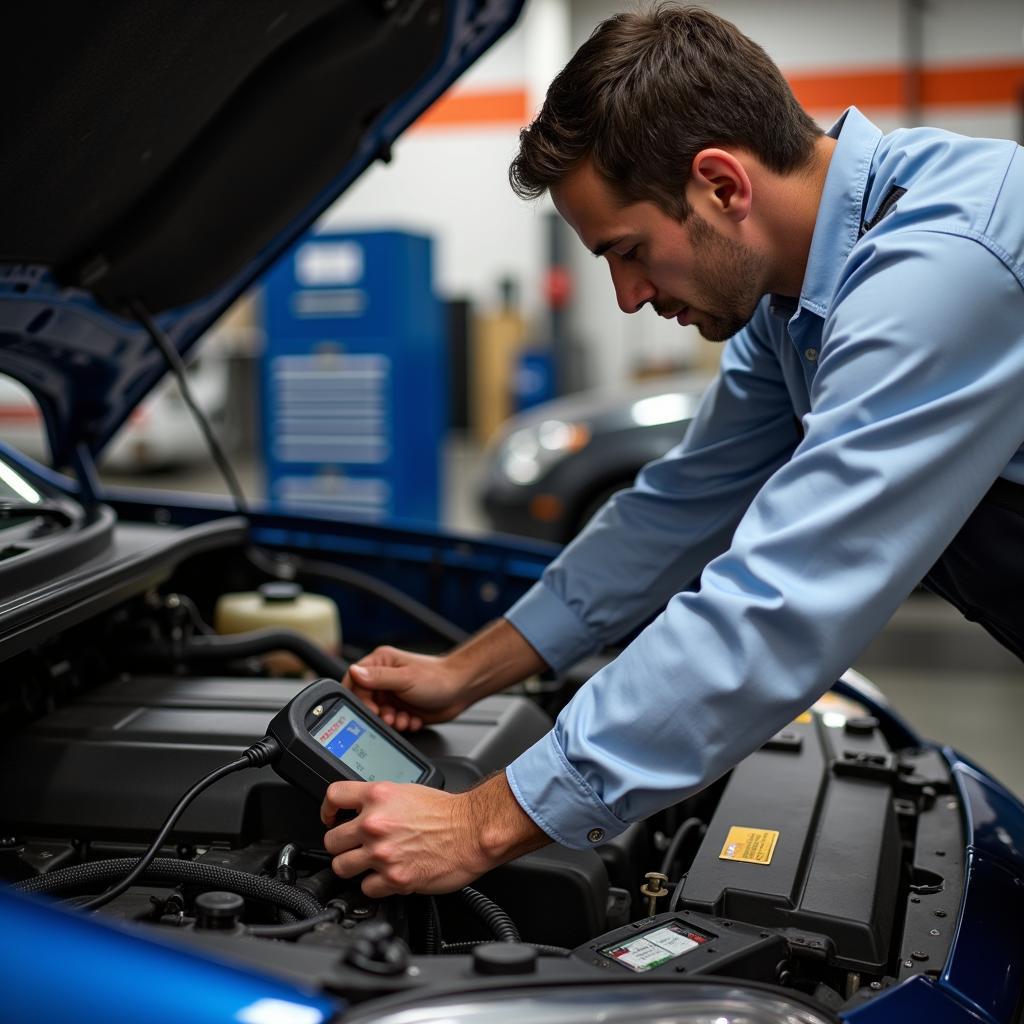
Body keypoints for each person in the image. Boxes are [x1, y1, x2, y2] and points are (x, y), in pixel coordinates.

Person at [319, 4, 1024, 897]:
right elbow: (681, 506)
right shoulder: (792, 296)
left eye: (629, 251)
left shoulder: (942, 273)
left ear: (722, 186)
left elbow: (782, 601)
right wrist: (471, 668)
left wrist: (485, 820)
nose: (625, 296)